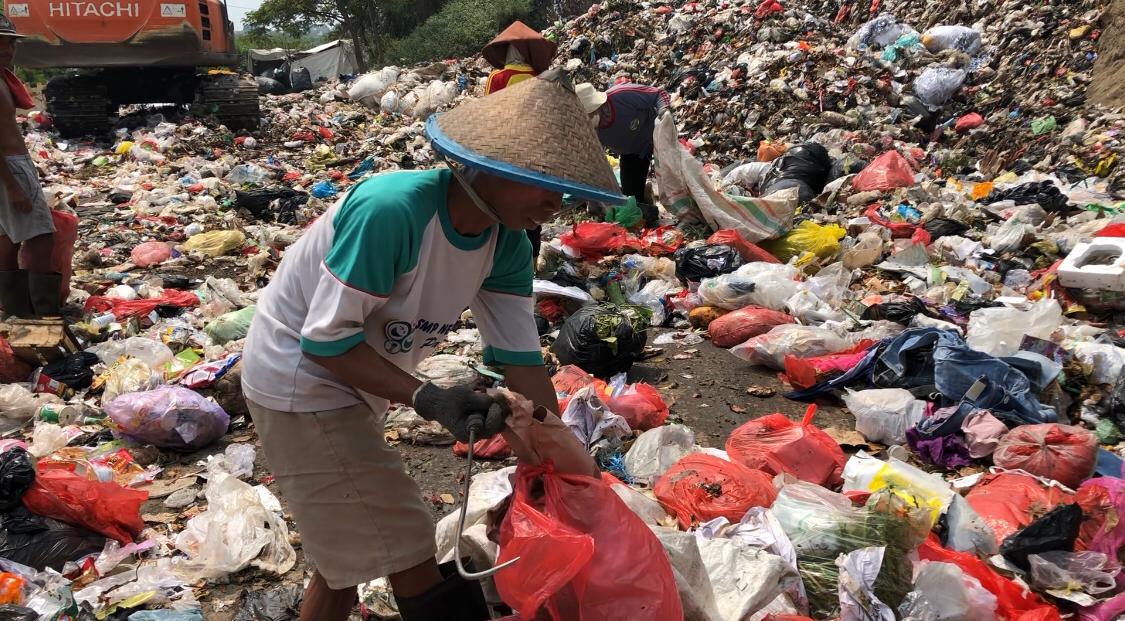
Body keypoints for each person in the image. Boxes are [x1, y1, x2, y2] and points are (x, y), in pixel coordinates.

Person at [240, 70, 623, 621]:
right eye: (541, 182)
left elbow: (521, 362)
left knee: (350, 549)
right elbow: (326, 341)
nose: (553, 204)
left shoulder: (505, 243)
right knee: (405, 543)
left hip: (358, 384)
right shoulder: (393, 210)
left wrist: (559, 463)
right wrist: (429, 398)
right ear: (490, 167)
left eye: (562, 190)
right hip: (301, 380)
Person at [482, 21, 558, 266]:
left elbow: (489, 111)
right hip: (534, 150)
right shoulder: (540, 78)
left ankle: (501, 262)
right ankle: (532, 263)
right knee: (533, 208)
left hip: (504, 149)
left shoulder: (497, 77)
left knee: (503, 205)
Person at [0, 15, 58, 318]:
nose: (8, 50)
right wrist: (13, 186)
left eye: (11, 43)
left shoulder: (2, 78)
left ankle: (17, 315)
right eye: (1, 43)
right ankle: (43, 315)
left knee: (7, 238)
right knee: (42, 237)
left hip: (9, 166)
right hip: (9, 168)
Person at [576, 81, 671, 226]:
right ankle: (646, 198)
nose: (586, 122)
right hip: (632, 154)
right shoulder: (590, 130)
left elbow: (659, 94)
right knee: (631, 200)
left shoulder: (622, 96)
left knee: (674, 182)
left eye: (588, 116)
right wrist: (592, 200)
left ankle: (691, 215)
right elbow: (593, 164)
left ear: (597, 107)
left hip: (658, 141)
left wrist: (664, 113)